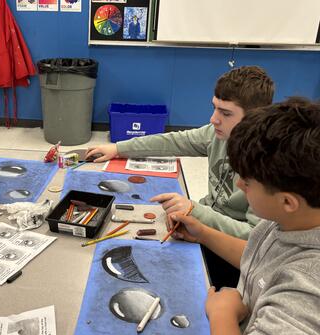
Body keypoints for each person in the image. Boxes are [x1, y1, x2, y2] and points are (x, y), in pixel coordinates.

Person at [86, 66, 274, 288]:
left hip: (230, 253)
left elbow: (254, 238)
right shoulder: (216, 135)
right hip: (201, 226)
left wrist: (195, 211)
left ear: (254, 118)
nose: (213, 119)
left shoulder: (267, 165)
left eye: (225, 113)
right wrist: (119, 148)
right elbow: (173, 141)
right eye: (214, 108)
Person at [170, 97, 320, 335]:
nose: (239, 187)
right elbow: (262, 260)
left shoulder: (305, 290)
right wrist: (203, 234)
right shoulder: (289, 220)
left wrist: (222, 315)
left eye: (247, 182)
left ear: (287, 201)